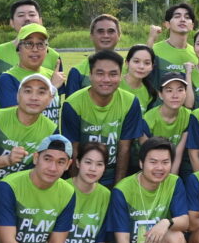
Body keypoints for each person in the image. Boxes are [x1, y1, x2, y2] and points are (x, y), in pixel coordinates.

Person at [112, 136, 191, 243]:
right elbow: (121, 240)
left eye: (165, 162)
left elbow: (185, 221)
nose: (159, 168)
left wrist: (166, 222)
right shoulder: (123, 190)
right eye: (153, 162)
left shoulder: (174, 182)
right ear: (141, 163)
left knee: (177, 238)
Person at [0, 72, 63, 187]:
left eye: (41, 92)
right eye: (27, 91)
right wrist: (7, 160)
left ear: (50, 99)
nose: (34, 98)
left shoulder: (51, 130)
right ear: (18, 96)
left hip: (18, 193)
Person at [60, 49, 145, 178]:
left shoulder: (130, 102)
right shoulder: (73, 104)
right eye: (100, 74)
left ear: (121, 76)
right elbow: (74, 150)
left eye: (113, 74)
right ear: (90, 75)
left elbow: (125, 148)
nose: (106, 79)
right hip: (82, 174)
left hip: (112, 174)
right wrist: (77, 185)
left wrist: (118, 186)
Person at [0, 24, 63, 123]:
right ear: (18, 49)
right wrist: (52, 88)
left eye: (40, 44)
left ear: (47, 50)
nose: (35, 49)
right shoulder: (8, 79)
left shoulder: (53, 76)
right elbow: (18, 120)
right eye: (28, 44)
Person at [140, 73, 195, 175]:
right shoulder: (148, 120)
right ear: (160, 94)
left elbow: (178, 154)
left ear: (185, 93)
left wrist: (172, 179)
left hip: (174, 165)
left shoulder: (189, 116)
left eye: (180, 90)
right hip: (150, 166)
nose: (175, 95)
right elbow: (149, 157)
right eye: (169, 91)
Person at [63, 14, 126, 94]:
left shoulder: (131, 69)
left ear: (119, 35)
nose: (105, 35)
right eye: (100, 31)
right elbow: (71, 101)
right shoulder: (77, 72)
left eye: (111, 31)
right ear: (91, 36)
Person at [149, 2, 198, 84]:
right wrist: (151, 39)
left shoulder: (197, 53)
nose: (182, 20)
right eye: (177, 16)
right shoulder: (154, 50)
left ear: (192, 26)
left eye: (187, 17)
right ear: (167, 24)